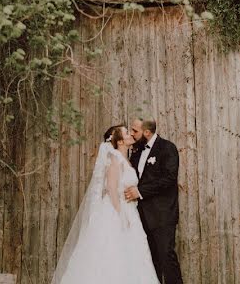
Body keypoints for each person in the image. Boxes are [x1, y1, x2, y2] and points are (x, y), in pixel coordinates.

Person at [51, 124, 160, 284]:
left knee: (132, 255)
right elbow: (111, 188)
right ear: (120, 141)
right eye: (126, 133)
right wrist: (121, 214)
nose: (130, 134)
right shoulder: (114, 158)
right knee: (112, 252)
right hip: (116, 211)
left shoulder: (127, 160)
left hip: (129, 210)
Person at [125, 118, 184, 284]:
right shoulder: (136, 152)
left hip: (162, 215)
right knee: (150, 262)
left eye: (135, 131)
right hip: (141, 216)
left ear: (147, 132)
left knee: (166, 257)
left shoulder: (167, 148)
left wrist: (140, 191)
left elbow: (169, 179)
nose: (131, 133)